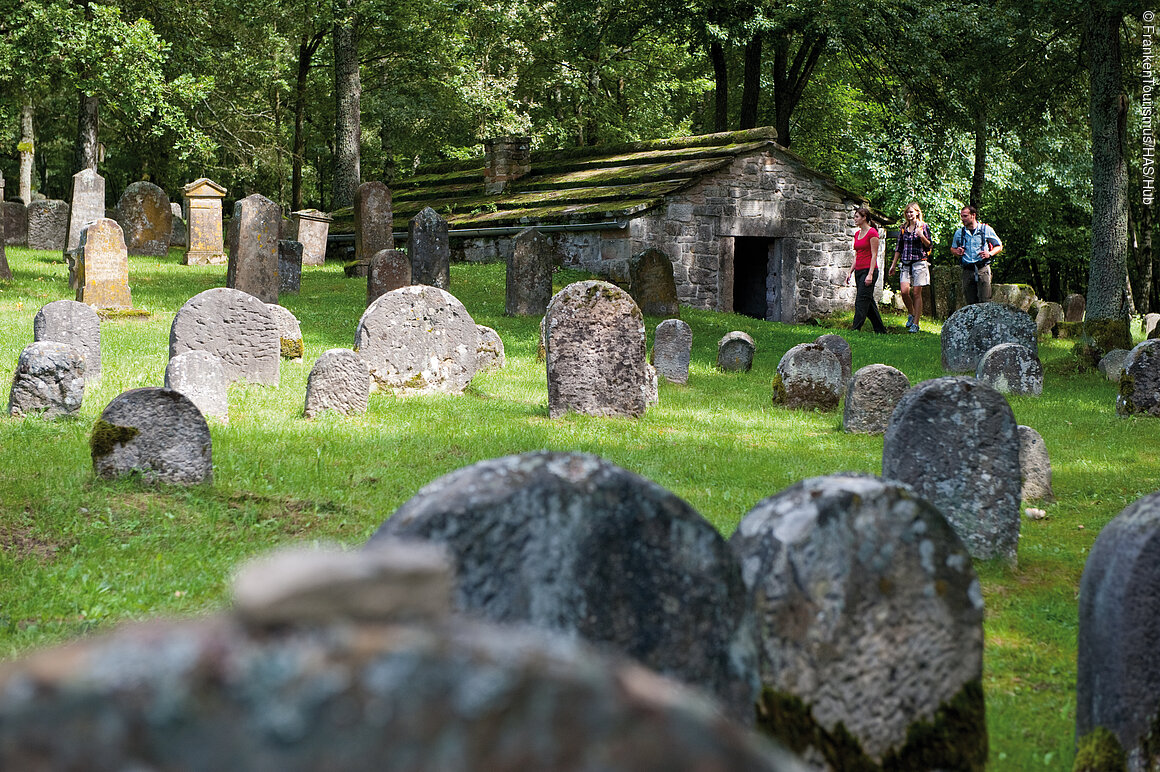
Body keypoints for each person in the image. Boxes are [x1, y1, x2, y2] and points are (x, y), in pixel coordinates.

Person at [887, 202, 931, 333]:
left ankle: (916, 324)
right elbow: (898, 248)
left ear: (917, 212)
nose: (909, 214)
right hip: (905, 263)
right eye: (907, 212)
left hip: (919, 263)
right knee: (904, 291)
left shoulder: (924, 226)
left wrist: (921, 235)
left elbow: (929, 245)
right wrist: (893, 265)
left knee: (917, 293)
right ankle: (911, 313)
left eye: (911, 212)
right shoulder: (903, 228)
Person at [843, 206, 887, 333]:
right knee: (869, 303)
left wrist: (870, 274)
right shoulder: (857, 234)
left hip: (869, 270)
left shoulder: (872, 233)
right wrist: (850, 272)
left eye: (857, 217)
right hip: (859, 270)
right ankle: (880, 330)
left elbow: (874, 254)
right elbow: (857, 255)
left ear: (864, 218)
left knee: (861, 301)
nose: (854, 219)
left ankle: (855, 329)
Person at [950, 205, 1003, 304]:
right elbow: (952, 248)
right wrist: (957, 252)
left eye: (965, 216)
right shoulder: (959, 233)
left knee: (985, 301)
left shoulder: (985, 230)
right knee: (970, 302)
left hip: (982, 268)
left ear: (973, 215)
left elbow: (999, 246)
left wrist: (989, 254)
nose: (962, 219)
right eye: (961, 216)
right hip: (967, 269)